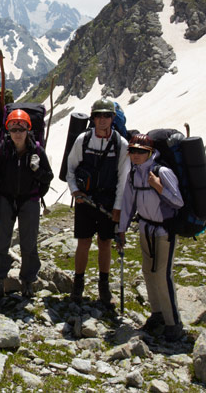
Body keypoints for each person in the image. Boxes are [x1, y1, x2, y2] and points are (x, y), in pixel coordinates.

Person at [116, 134, 185, 341]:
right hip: (145, 229)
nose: (135, 155)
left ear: (150, 152)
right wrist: (121, 229)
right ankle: (157, 315)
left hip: (164, 231)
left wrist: (157, 186)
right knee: (148, 271)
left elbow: (178, 201)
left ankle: (173, 324)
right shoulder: (133, 173)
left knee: (163, 276)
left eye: (140, 152)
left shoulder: (162, 172)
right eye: (132, 151)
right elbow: (128, 203)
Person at [66, 98, 129, 305]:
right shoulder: (82, 140)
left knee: (105, 242)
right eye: (98, 116)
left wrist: (118, 207)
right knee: (83, 242)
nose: (102, 120)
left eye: (107, 116)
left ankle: (104, 286)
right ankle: (78, 284)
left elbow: (123, 178)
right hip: (85, 200)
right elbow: (71, 170)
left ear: (113, 118)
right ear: (93, 118)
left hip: (108, 200)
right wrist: (75, 191)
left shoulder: (121, 144)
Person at [0, 109, 53, 298]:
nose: (17, 133)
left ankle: (28, 280)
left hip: (28, 199)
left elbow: (48, 177)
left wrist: (37, 173)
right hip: (5, 198)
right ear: (8, 130)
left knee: (29, 241)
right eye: (13, 129)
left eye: (21, 129)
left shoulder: (37, 151)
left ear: (27, 130)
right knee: (1, 240)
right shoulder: (1, 151)